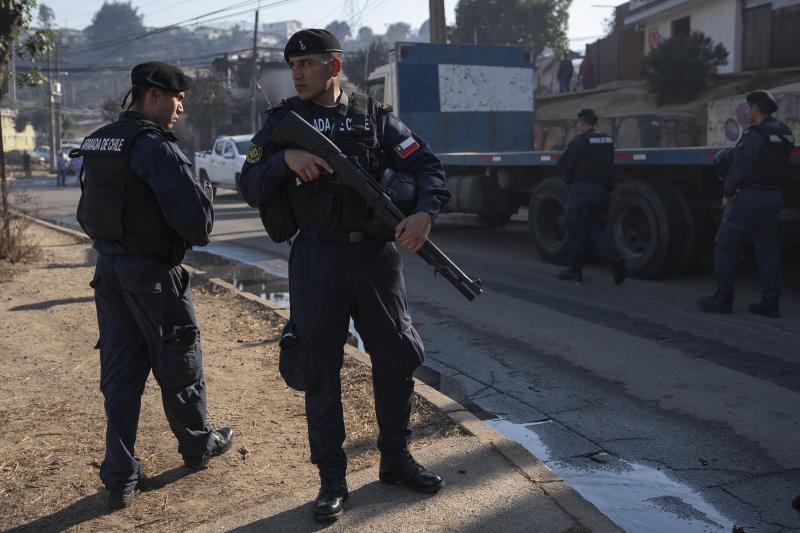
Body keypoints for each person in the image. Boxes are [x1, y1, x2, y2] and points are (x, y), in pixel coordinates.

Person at [238, 29, 450, 523]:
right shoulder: (280, 125)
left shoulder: (374, 119)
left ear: (333, 67)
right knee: (320, 368)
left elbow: (426, 165)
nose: (296, 73)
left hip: (375, 257)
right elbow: (248, 182)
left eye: (306, 64)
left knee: (396, 358)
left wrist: (425, 213)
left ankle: (396, 460)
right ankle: (332, 478)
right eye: (292, 65)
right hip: (316, 258)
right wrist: (285, 160)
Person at [74, 62, 234, 510]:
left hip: (109, 272)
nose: (181, 106)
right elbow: (197, 226)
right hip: (153, 277)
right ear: (152, 97)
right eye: (177, 98)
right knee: (180, 362)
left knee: (121, 377)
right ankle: (198, 445)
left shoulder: (101, 140)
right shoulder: (154, 147)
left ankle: (120, 477)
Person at [697, 90, 794, 318]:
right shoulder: (784, 132)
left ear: (756, 108)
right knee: (768, 249)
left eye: (748, 107)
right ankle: (771, 302)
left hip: (749, 198)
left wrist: (727, 194)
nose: (747, 112)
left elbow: (739, 169)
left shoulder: (755, 135)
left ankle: (723, 298)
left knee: (726, 245)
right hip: (773, 197)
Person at [557, 108, 626, 284]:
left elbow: (564, 164)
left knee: (575, 229)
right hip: (600, 191)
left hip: (581, 191)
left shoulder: (580, 141)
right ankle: (615, 260)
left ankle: (575, 270)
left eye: (579, 123)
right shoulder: (607, 140)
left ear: (582, 122)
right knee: (596, 229)